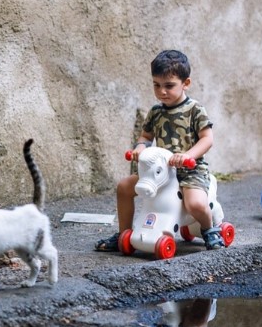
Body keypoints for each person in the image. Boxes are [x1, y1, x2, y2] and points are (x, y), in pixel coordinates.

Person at [95, 49, 225, 251]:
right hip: (161, 170)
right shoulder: (156, 112)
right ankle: (123, 233)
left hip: (191, 169)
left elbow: (207, 139)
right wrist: (140, 147)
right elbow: (146, 136)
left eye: (169, 86)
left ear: (186, 83)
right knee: (124, 188)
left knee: (196, 204)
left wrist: (188, 156)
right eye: (156, 85)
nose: (162, 91)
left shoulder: (195, 110)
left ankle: (209, 230)